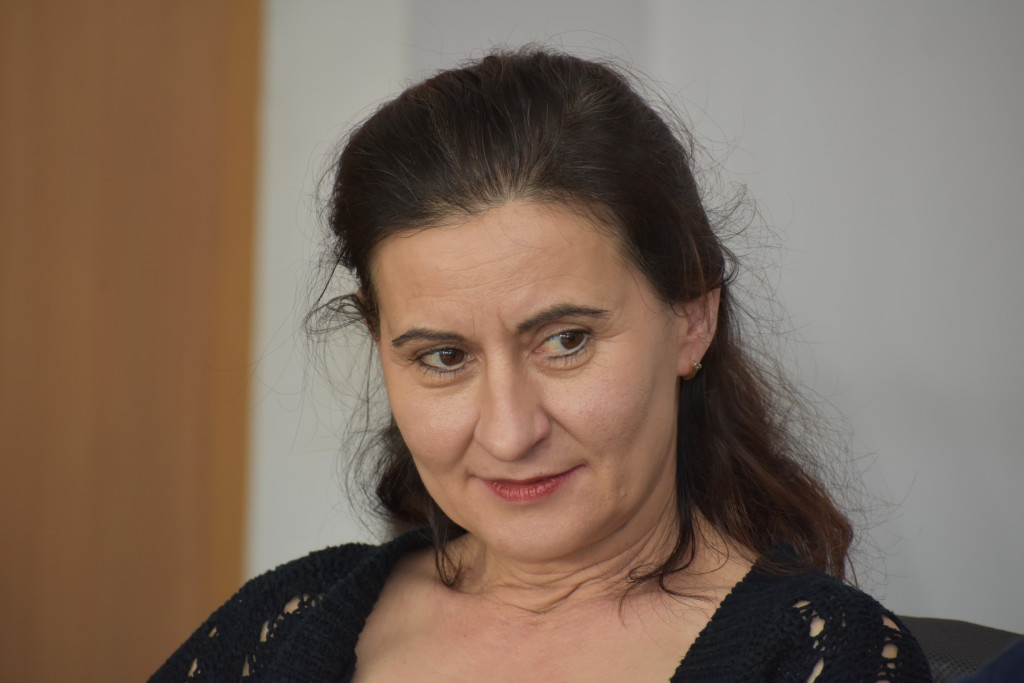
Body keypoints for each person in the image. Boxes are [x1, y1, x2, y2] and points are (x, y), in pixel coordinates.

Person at [151, 48, 932, 682]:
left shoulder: (826, 658)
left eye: (566, 341)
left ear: (692, 317)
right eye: (444, 356)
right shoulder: (282, 623)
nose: (509, 431)